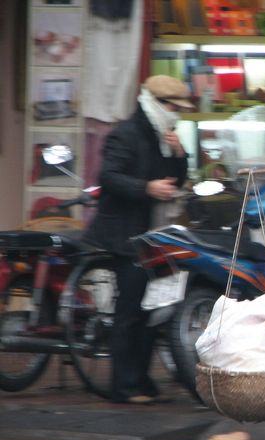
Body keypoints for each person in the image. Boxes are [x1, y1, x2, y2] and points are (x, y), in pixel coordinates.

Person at [84, 75, 193, 404]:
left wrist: (179, 156)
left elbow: (176, 180)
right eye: (174, 107)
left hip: (154, 235)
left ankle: (142, 381)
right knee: (130, 311)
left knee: (152, 310)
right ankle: (124, 386)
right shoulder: (126, 133)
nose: (177, 114)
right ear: (158, 104)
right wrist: (146, 188)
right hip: (126, 234)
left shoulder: (164, 137)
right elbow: (108, 176)